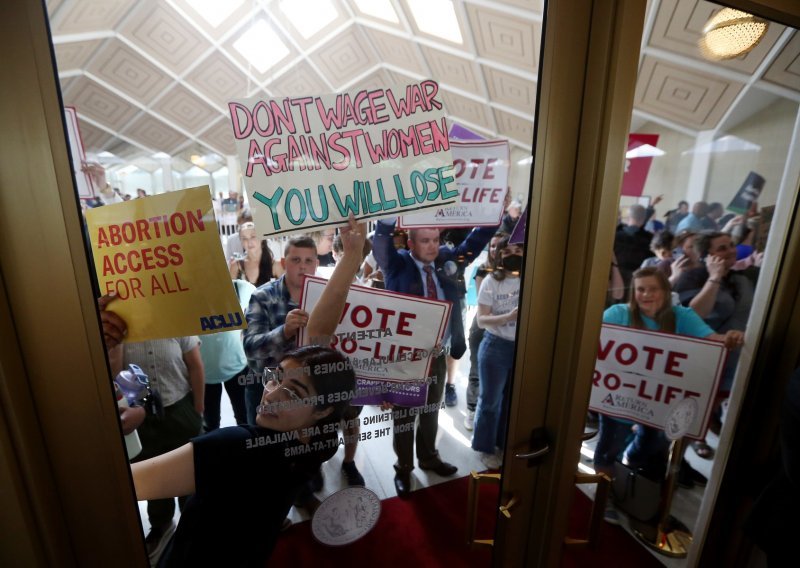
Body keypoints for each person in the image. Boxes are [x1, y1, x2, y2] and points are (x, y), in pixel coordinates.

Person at [126, 217, 367, 567]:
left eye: (294, 392)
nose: (271, 395)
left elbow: (124, 485)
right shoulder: (318, 440)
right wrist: (352, 257)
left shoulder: (234, 446)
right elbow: (318, 336)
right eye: (276, 379)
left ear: (322, 410)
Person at [594, 267, 743, 524]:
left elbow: (712, 341)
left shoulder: (680, 316)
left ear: (665, 290)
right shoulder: (618, 314)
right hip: (619, 398)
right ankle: (604, 496)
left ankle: (627, 468)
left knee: (654, 445)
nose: (646, 294)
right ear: (634, 292)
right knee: (608, 448)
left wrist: (729, 338)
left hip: (660, 402)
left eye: (653, 289)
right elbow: (595, 341)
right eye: (641, 289)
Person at [373, 217, 496, 497]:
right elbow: (380, 244)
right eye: (425, 241)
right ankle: (404, 468)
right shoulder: (397, 264)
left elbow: (474, 244)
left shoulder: (447, 259)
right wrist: (387, 220)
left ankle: (428, 457)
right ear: (410, 242)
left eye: (436, 240)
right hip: (406, 357)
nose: (432, 247)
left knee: (430, 410)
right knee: (404, 416)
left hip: (438, 353)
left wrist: (492, 215)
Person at [109, 334, 205, 561]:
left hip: (180, 408)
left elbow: (196, 367)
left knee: (190, 471)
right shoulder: (121, 330)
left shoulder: (174, 322)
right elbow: (114, 376)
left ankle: (194, 526)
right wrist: (117, 343)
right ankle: (161, 525)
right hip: (140, 416)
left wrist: (198, 409)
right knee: (154, 474)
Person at [673, 231, 755, 459]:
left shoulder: (743, 279)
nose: (731, 250)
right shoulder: (692, 278)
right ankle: (671, 460)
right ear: (706, 255)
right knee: (688, 412)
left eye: (731, 245)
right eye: (722, 248)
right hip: (702, 358)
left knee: (707, 411)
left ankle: (684, 455)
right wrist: (714, 277)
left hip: (733, 359)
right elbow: (695, 314)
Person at [472, 237, 522, 469]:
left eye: (518, 250)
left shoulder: (531, 279)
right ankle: (484, 447)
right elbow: (482, 320)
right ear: (499, 255)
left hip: (522, 348)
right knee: (490, 401)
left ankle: (501, 443)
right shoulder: (491, 281)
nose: (513, 254)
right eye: (507, 251)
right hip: (495, 345)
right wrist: (509, 317)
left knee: (511, 401)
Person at [198, 279, 254, 431]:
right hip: (205, 372)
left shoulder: (241, 288)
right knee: (211, 424)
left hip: (238, 365)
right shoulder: (191, 295)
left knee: (244, 419)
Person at [464, 231, 506, 430]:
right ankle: (472, 410)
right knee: (475, 370)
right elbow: (485, 304)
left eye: (499, 246)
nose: (495, 249)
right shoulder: (484, 270)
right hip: (483, 328)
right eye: (492, 245)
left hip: (505, 330)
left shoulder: (514, 272)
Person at [228, 222, 274, 287]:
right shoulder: (236, 266)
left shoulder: (274, 265)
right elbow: (230, 294)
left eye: (253, 236)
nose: (249, 242)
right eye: (244, 238)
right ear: (241, 241)